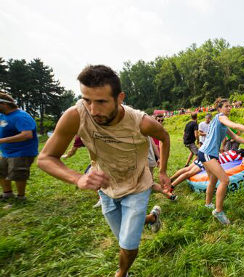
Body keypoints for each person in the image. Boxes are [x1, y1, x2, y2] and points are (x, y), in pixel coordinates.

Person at [37, 65, 171, 277]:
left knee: (127, 243)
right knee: (123, 236)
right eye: (86, 100)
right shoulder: (76, 115)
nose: (93, 110)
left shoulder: (141, 122)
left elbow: (164, 136)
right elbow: (45, 158)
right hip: (107, 189)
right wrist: (78, 178)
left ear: (120, 98)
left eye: (101, 101)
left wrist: (162, 170)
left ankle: (122, 273)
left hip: (137, 185)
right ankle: (153, 218)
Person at [197, 98, 244, 225]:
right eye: (226, 106)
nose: (229, 108)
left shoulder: (222, 123)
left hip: (209, 153)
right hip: (207, 153)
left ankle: (208, 204)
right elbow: (235, 125)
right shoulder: (221, 117)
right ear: (219, 109)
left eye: (230, 106)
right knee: (225, 180)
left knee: (213, 179)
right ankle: (218, 211)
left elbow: (235, 136)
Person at [0, 92, 38, 201]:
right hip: (6, 152)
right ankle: (7, 193)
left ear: (4, 104)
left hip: (22, 152)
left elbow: (27, 134)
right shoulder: (2, 116)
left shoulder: (21, 116)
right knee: (1, 171)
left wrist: (2, 140)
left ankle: (21, 197)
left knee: (18, 173)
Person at [169, 149, 244, 192]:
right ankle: (172, 185)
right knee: (189, 173)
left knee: (187, 169)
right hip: (208, 160)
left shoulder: (231, 151)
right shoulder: (237, 156)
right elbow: (243, 160)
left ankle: (171, 179)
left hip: (204, 156)